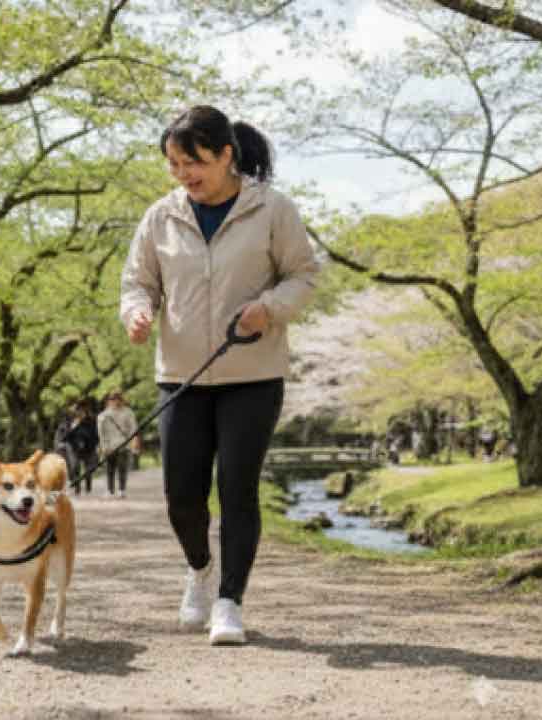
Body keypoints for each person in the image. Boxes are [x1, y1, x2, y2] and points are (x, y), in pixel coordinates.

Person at [119, 105, 320, 646]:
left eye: (193, 162)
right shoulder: (160, 217)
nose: (184, 174)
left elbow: (304, 274)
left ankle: (229, 600)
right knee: (181, 496)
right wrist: (136, 313)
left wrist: (269, 307)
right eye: (174, 164)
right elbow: (137, 283)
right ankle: (200, 568)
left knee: (237, 488)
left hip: (253, 373)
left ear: (226, 155)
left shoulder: (271, 209)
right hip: (182, 373)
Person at [97, 390, 139, 498]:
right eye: (113, 399)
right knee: (109, 469)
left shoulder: (128, 412)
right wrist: (104, 447)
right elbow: (101, 433)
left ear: (122, 400)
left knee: (122, 467)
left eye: (118, 399)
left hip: (123, 444)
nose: (116, 402)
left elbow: (133, 428)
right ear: (109, 401)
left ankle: (121, 489)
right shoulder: (103, 415)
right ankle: (110, 490)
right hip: (109, 446)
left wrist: (133, 441)